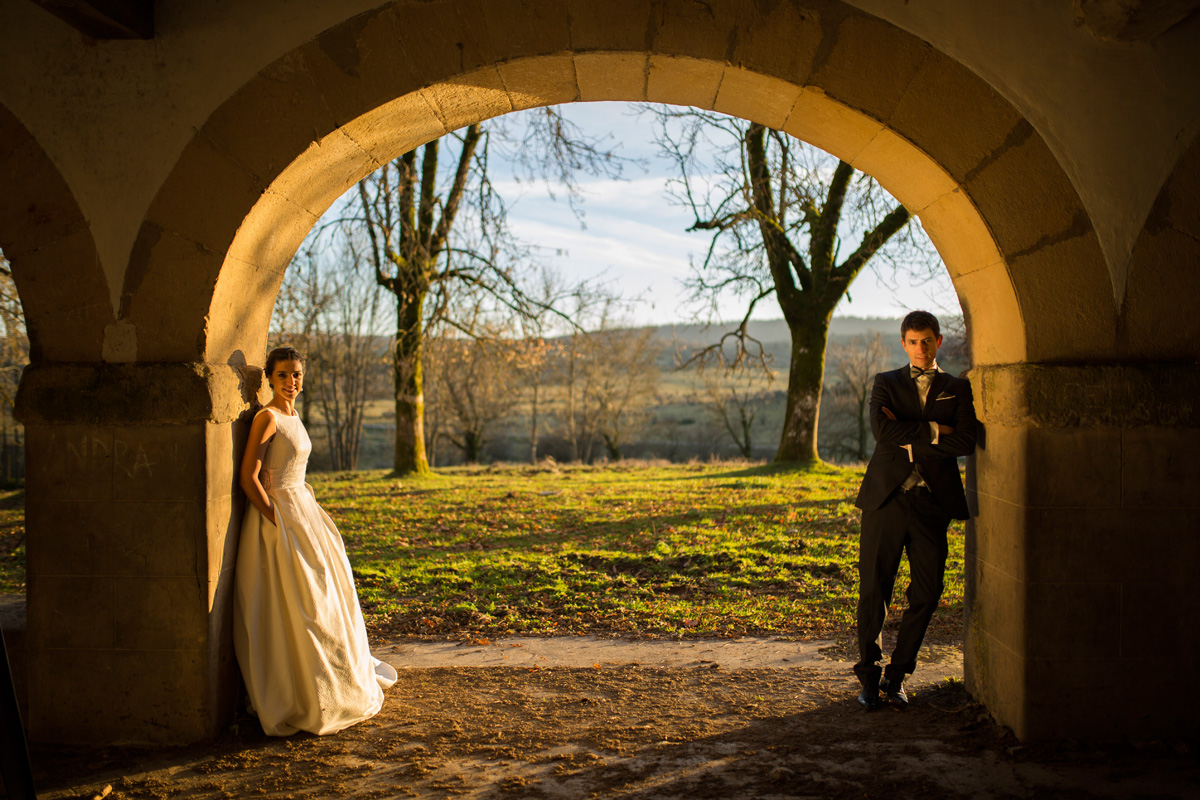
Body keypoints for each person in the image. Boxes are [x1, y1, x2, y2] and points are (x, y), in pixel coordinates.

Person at [233, 346, 398, 735]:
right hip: (280, 518)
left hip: (303, 507)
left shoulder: (293, 414)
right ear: (269, 379)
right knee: (301, 604)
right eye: (284, 375)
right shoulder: (267, 417)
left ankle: (335, 678)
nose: (292, 382)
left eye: (297, 375)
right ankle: (303, 693)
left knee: (326, 593)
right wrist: (278, 520)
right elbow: (248, 479)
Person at [852, 311, 977, 710]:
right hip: (885, 501)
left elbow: (967, 444)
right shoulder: (884, 383)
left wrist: (910, 433)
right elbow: (882, 432)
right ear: (903, 343)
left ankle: (898, 675)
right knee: (875, 588)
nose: (920, 348)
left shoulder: (957, 387)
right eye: (912, 341)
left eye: (926, 340)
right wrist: (939, 432)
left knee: (928, 591)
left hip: (930, 505)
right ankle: (869, 678)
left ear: (939, 341)